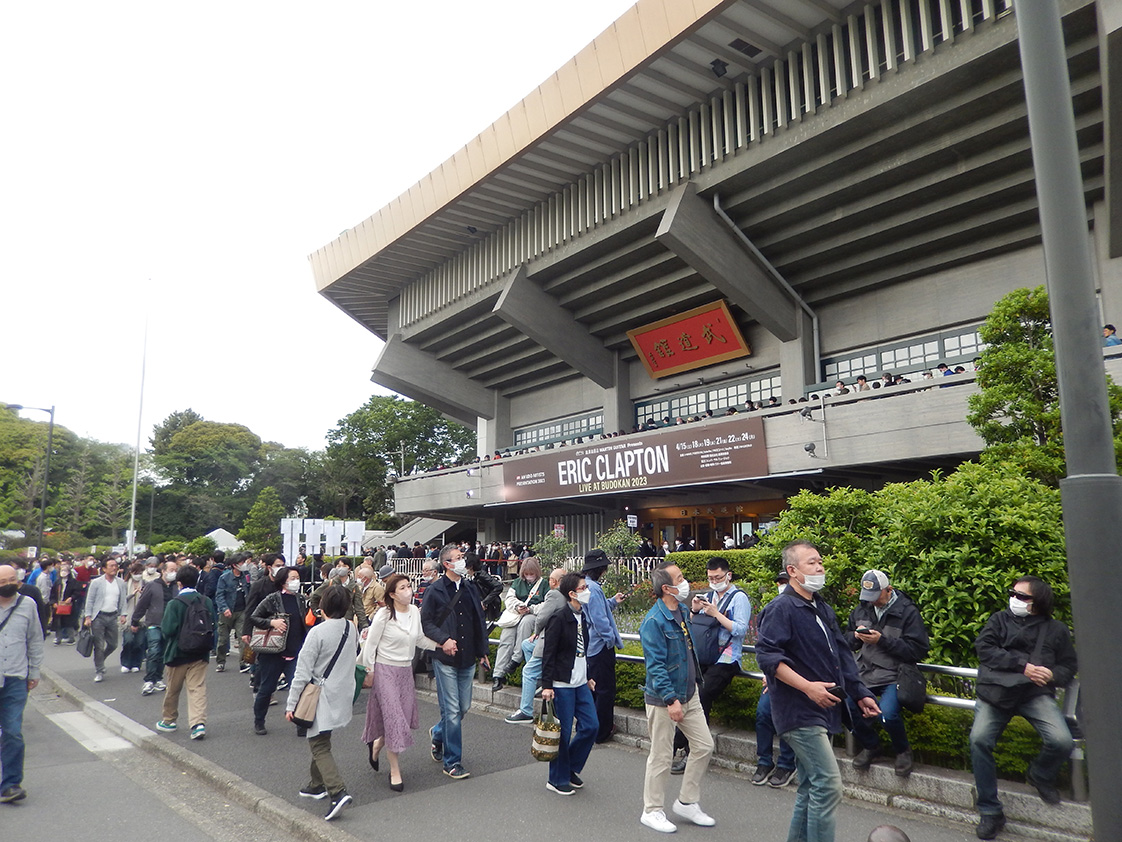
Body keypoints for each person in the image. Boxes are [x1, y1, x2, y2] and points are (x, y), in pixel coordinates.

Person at [755, 541, 880, 842]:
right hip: (798, 711)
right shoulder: (780, 608)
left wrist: (860, 692)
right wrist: (807, 687)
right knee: (828, 784)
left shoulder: (820, 606)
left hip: (826, 708)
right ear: (792, 571)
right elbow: (767, 657)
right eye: (812, 563)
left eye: (820, 561)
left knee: (811, 786)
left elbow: (840, 654)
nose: (820, 567)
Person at [969, 576, 1077, 840]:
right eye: (1012, 593)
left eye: (1022, 596)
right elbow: (984, 649)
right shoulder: (999, 620)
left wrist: (1051, 675)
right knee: (979, 740)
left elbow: (1068, 665)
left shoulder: (1057, 630)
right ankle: (990, 811)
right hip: (996, 693)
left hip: (1033, 695)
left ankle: (1040, 775)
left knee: (1062, 741)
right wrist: (1022, 665)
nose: (1014, 599)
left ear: (1038, 601)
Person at [638, 562, 716, 833]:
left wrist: (694, 609)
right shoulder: (653, 621)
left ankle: (687, 801)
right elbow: (656, 666)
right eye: (680, 578)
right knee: (661, 756)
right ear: (666, 588)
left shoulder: (682, 610)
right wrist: (671, 700)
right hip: (664, 699)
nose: (686, 582)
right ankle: (652, 810)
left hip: (689, 692)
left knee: (704, 745)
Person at [843, 569, 930, 778]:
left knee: (888, 713)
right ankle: (871, 745)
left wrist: (882, 640)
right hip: (865, 672)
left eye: (876, 597)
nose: (872, 602)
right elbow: (844, 639)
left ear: (889, 590)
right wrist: (855, 637)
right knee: (844, 704)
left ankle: (903, 751)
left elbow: (918, 650)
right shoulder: (862, 609)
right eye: (867, 598)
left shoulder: (907, 612)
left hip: (894, 674)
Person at [670, 556, 751, 774]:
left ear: (728, 575)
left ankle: (687, 750)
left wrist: (716, 614)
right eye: (710, 577)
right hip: (706, 657)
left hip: (727, 659)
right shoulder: (710, 595)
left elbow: (741, 630)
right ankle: (686, 747)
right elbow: (697, 626)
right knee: (690, 695)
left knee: (702, 696)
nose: (714, 581)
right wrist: (696, 610)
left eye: (718, 577)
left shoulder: (739, 598)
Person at [286, 585, 359, 821]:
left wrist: (291, 704)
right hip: (342, 692)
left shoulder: (317, 633)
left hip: (320, 694)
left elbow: (301, 672)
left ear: (322, 606)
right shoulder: (351, 628)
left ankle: (337, 791)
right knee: (321, 737)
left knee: (318, 744)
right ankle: (316, 784)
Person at [360, 573, 438, 791]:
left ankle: (377, 745)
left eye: (408, 586)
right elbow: (370, 646)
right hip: (385, 670)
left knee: (398, 717)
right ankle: (395, 770)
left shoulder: (414, 611)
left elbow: (420, 638)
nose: (408, 591)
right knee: (394, 718)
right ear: (392, 594)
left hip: (405, 671)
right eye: (402, 588)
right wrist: (370, 671)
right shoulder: (384, 615)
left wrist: (441, 645)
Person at [419, 543, 491, 780]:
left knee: (463, 708)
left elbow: (478, 621)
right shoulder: (435, 590)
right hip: (445, 658)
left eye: (463, 557)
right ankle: (452, 761)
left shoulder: (470, 588)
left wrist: (483, 651)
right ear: (447, 564)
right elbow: (426, 622)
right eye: (458, 558)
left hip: (467, 656)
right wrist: (443, 640)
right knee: (451, 710)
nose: (463, 560)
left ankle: (438, 734)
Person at [539, 571, 598, 795]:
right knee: (561, 734)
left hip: (581, 681)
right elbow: (549, 654)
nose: (588, 591)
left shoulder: (583, 615)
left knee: (591, 726)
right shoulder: (559, 617)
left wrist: (589, 675)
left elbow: (584, 650)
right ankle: (556, 778)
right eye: (583, 588)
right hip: (562, 683)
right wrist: (547, 685)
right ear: (572, 593)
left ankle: (570, 767)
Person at [0, 565, 44, 804]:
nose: (8, 584)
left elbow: (35, 639)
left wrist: (34, 671)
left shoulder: (27, 604)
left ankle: (10, 784)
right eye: (2, 580)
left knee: (13, 732)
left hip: (16, 677)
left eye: (12, 580)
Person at [155, 563, 213, 740]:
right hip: (200, 652)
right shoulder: (206, 601)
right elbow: (213, 624)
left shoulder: (174, 604)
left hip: (177, 653)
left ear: (178, 583)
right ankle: (198, 724)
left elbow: (168, 630)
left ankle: (169, 720)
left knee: (173, 689)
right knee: (197, 689)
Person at [250, 566, 309, 735]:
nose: (296, 581)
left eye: (297, 577)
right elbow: (254, 616)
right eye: (292, 578)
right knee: (267, 688)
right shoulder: (272, 599)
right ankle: (259, 721)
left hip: (296, 650)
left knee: (298, 688)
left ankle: (300, 723)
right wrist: (271, 623)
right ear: (283, 581)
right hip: (273, 652)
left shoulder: (301, 598)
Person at [753, 570, 798, 787]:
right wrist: (768, 672)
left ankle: (787, 764)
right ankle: (764, 761)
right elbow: (767, 647)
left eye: (785, 582)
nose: (782, 586)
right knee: (763, 713)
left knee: (787, 718)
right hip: (774, 677)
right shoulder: (773, 608)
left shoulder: (806, 609)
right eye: (779, 582)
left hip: (799, 678)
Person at [505, 566, 566, 724]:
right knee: (526, 645)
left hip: (549, 643)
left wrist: (537, 632)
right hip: (560, 643)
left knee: (528, 671)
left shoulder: (554, 594)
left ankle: (526, 710)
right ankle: (539, 680)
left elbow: (542, 617)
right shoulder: (569, 594)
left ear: (553, 582)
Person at [581, 548, 627, 743]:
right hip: (600, 647)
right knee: (605, 690)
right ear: (601, 568)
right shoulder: (595, 588)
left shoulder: (585, 586)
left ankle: (590, 728)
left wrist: (613, 602)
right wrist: (610, 640)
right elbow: (599, 619)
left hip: (590, 647)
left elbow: (593, 611)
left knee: (593, 690)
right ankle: (602, 731)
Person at [491, 557, 548, 691]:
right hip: (517, 614)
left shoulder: (544, 584)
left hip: (532, 615)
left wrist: (531, 609)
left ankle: (516, 658)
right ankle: (498, 675)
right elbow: (509, 599)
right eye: (526, 574)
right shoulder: (517, 582)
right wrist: (517, 606)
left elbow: (547, 604)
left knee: (526, 623)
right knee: (506, 637)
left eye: (531, 574)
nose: (529, 577)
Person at [132, 559, 178, 696]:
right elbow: (142, 604)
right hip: (154, 623)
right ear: (163, 571)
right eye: (171, 570)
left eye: (175, 570)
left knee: (163, 653)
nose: (174, 573)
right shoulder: (152, 586)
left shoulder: (177, 587)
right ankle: (149, 680)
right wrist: (135, 621)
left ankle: (158, 677)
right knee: (154, 649)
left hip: (169, 625)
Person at [82, 557, 128, 683]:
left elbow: (123, 600)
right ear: (104, 569)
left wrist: (123, 614)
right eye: (111, 565)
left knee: (113, 644)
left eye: (115, 565)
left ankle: (100, 660)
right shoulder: (97, 582)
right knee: (99, 645)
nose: (114, 568)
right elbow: (90, 600)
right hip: (99, 616)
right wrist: (88, 616)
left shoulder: (120, 582)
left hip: (113, 616)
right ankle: (99, 670)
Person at [214, 552, 252, 673]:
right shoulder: (224, 578)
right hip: (227, 611)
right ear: (235, 565)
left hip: (242, 610)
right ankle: (221, 661)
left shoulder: (246, 575)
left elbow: (249, 591)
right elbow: (219, 595)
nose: (244, 565)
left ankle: (243, 662)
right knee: (223, 639)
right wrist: (224, 608)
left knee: (243, 638)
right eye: (242, 563)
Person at [119, 561, 147, 673]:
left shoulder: (145, 584)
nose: (138, 575)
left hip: (142, 617)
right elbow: (121, 601)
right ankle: (126, 663)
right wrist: (132, 594)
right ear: (131, 573)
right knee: (128, 641)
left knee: (139, 642)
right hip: (128, 616)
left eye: (140, 572)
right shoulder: (125, 584)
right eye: (136, 572)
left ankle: (136, 663)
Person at [49, 559, 81, 645]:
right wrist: (53, 603)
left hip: (69, 606)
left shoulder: (73, 582)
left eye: (65, 570)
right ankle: (58, 638)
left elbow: (77, 592)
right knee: (58, 623)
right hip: (58, 605)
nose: (63, 572)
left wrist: (71, 598)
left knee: (68, 623)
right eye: (62, 570)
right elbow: (52, 594)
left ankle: (71, 638)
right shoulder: (57, 582)